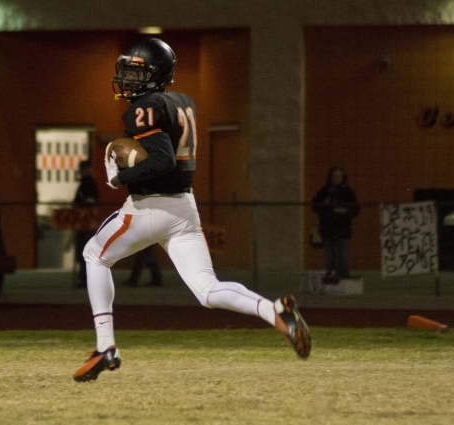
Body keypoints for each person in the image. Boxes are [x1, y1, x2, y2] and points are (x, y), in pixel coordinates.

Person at [73, 37, 311, 382]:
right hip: (184, 208)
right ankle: (272, 310)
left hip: (148, 207)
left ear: (156, 74)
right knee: (207, 289)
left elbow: (162, 160)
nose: (127, 79)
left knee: (94, 254)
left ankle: (105, 346)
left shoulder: (145, 107)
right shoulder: (183, 101)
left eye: (135, 72)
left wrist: (120, 177)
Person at [311, 166, 360, 281]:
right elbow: (314, 205)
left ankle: (343, 276)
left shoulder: (347, 191)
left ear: (343, 177)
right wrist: (324, 205)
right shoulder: (324, 191)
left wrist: (346, 213)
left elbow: (356, 208)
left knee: (342, 254)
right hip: (328, 227)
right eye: (334, 176)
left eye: (339, 176)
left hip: (343, 228)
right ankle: (331, 275)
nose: (336, 178)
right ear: (330, 177)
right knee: (329, 254)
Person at [73, 160, 99, 288]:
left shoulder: (88, 185)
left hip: (85, 223)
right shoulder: (87, 184)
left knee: (84, 251)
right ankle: (85, 278)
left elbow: (88, 201)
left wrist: (78, 205)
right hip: (85, 222)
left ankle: (85, 279)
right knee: (85, 251)